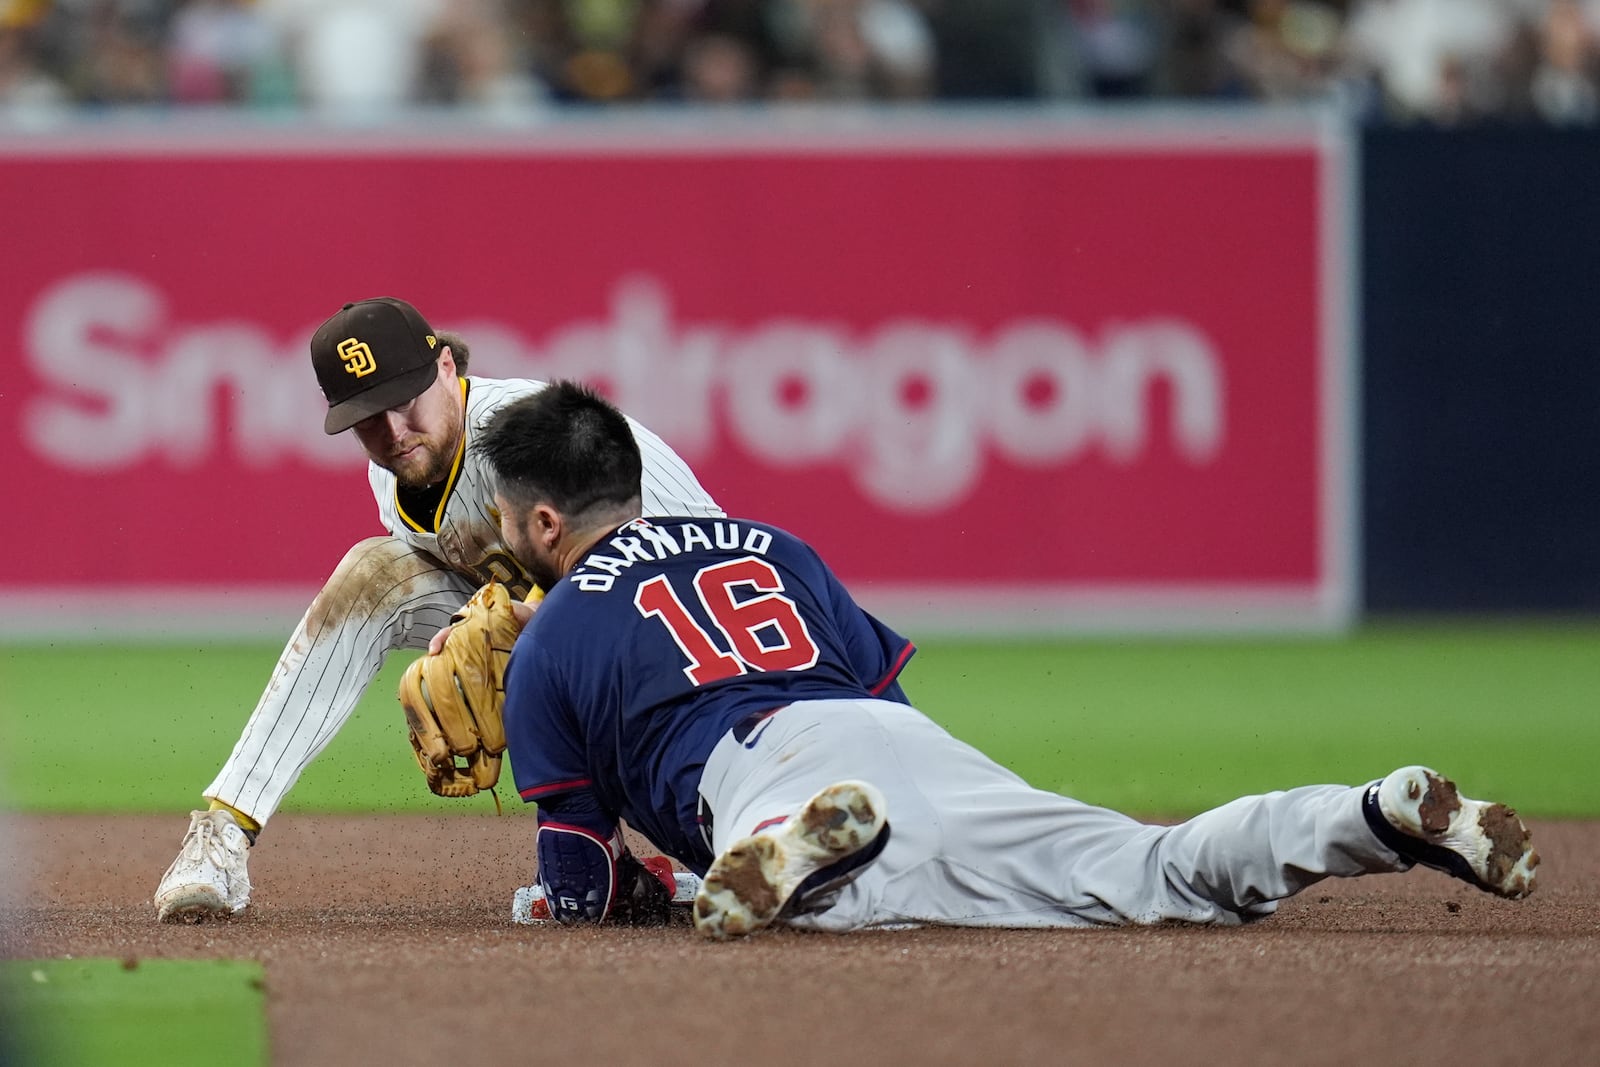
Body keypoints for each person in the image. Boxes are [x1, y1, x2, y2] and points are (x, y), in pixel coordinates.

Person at [480, 380, 1540, 938]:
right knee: (1152, 870)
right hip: (897, 739)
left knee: (827, 896)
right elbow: (881, 696)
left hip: (757, 768)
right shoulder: (772, 543)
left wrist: (589, 893)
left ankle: (792, 849)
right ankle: (1366, 813)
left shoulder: (552, 634)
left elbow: (574, 883)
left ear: (539, 520)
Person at [153, 298, 724, 923]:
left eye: (406, 400)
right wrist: (474, 634)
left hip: (693, 629)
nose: (394, 431)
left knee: (542, 646)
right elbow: (494, 592)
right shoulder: (395, 475)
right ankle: (223, 833)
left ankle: (704, 844)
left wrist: (525, 627)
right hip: (587, 625)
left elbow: (653, 562)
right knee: (373, 574)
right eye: (369, 417)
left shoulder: (533, 438)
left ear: (446, 368)